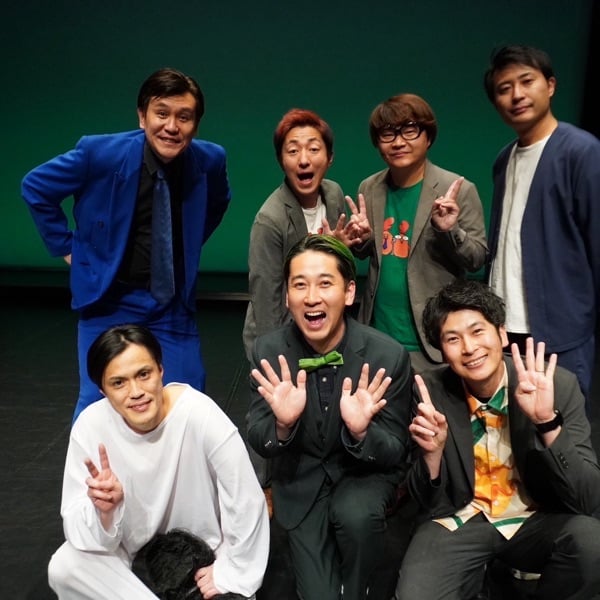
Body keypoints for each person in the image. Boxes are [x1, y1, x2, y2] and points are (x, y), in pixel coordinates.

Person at [22, 67, 231, 421]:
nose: (171, 126)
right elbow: (36, 187)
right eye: (161, 113)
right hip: (109, 300)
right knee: (97, 406)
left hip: (170, 304)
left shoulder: (210, 160)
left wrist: (185, 246)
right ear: (142, 116)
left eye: (184, 117)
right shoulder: (100, 153)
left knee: (191, 403)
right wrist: (68, 248)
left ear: (196, 125)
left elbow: (218, 202)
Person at [394, 280, 600, 600]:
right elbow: (424, 500)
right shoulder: (429, 392)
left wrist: (547, 422)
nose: (469, 348)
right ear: (442, 351)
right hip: (460, 518)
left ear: (502, 334)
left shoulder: (553, 385)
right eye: (453, 339)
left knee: (592, 543)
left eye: (478, 331)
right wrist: (431, 456)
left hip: (535, 517)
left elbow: (589, 499)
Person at [48, 324, 269, 600]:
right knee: (64, 567)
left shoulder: (199, 414)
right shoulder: (91, 426)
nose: (136, 391)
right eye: (118, 383)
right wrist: (104, 513)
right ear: (103, 391)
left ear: (160, 371)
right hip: (131, 561)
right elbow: (77, 526)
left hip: (201, 563)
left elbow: (246, 500)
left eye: (144, 374)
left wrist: (230, 571)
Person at [247, 234, 412, 600]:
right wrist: (283, 425)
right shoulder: (268, 351)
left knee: (357, 518)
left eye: (325, 284)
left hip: (362, 474)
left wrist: (361, 432)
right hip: (302, 477)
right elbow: (258, 435)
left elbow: (395, 451)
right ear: (287, 296)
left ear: (349, 292)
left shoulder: (387, 356)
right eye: (299, 285)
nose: (312, 297)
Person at [484, 44, 600, 403]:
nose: (516, 95)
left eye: (526, 81)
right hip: (505, 329)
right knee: (508, 429)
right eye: (504, 89)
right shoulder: (504, 159)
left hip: (559, 332)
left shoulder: (582, 151)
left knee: (561, 426)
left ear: (550, 85)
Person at [353, 93, 487, 372]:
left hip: (432, 341)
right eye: (388, 133)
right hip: (377, 337)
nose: (398, 142)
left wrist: (450, 230)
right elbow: (370, 254)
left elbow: (476, 258)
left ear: (428, 137)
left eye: (410, 130)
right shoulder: (369, 188)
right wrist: (360, 240)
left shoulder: (458, 189)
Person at [242, 108, 370, 360]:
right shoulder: (270, 220)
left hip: (323, 326)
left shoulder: (333, 194)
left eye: (313, 149)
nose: (303, 160)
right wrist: (275, 357)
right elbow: (266, 301)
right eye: (292, 151)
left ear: (330, 157)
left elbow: (334, 263)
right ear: (281, 160)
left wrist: (346, 245)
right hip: (282, 331)